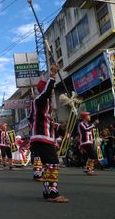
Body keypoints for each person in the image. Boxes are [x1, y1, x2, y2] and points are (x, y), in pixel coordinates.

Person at [29, 64, 69, 203]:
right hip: (41, 137)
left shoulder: (45, 105)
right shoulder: (40, 100)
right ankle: (52, 193)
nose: (53, 91)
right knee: (52, 163)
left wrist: (62, 127)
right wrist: (52, 74)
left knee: (48, 165)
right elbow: (46, 92)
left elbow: (49, 124)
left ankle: (48, 192)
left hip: (44, 138)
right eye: (51, 89)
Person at [78, 111, 98, 176]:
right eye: (88, 116)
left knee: (91, 155)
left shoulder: (87, 124)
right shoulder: (81, 124)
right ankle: (90, 169)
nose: (90, 117)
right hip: (85, 142)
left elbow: (89, 131)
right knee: (92, 154)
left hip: (89, 141)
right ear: (84, 117)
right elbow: (86, 129)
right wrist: (94, 123)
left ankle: (88, 168)